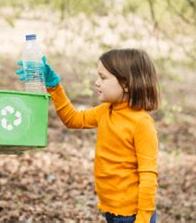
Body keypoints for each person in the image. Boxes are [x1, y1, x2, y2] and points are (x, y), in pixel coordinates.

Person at [16, 49, 160, 223]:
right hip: (112, 210)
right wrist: (54, 86)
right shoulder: (106, 111)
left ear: (126, 84)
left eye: (103, 78)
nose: (97, 83)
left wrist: (143, 219)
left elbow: (148, 175)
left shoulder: (141, 123)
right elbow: (73, 119)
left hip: (133, 215)